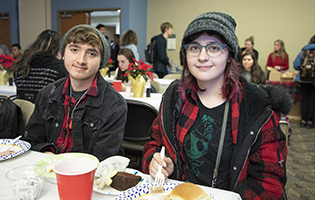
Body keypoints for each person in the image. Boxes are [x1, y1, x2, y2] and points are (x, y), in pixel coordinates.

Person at [141, 12, 290, 199]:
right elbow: (153, 146)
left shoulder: (256, 106)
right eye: (194, 47)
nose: (202, 57)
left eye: (213, 48)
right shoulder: (175, 97)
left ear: (229, 55)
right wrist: (156, 164)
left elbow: (269, 185)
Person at [23, 25, 127, 161]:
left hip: (87, 177)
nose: (81, 60)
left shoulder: (114, 104)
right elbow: (32, 140)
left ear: (101, 61)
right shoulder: (47, 94)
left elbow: (104, 160)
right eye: (74, 50)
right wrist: (47, 153)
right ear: (62, 53)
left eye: (91, 53)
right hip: (47, 170)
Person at [12, 30, 68, 103]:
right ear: (58, 48)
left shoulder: (23, 65)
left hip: (23, 112)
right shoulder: (59, 68)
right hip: (47, 112)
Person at [293, 35, 315, 128]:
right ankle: (309, 121)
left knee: (305, 99)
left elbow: (296, 65)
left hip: (304, 79)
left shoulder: (304, 51)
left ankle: (302, 120)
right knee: (313, 100)